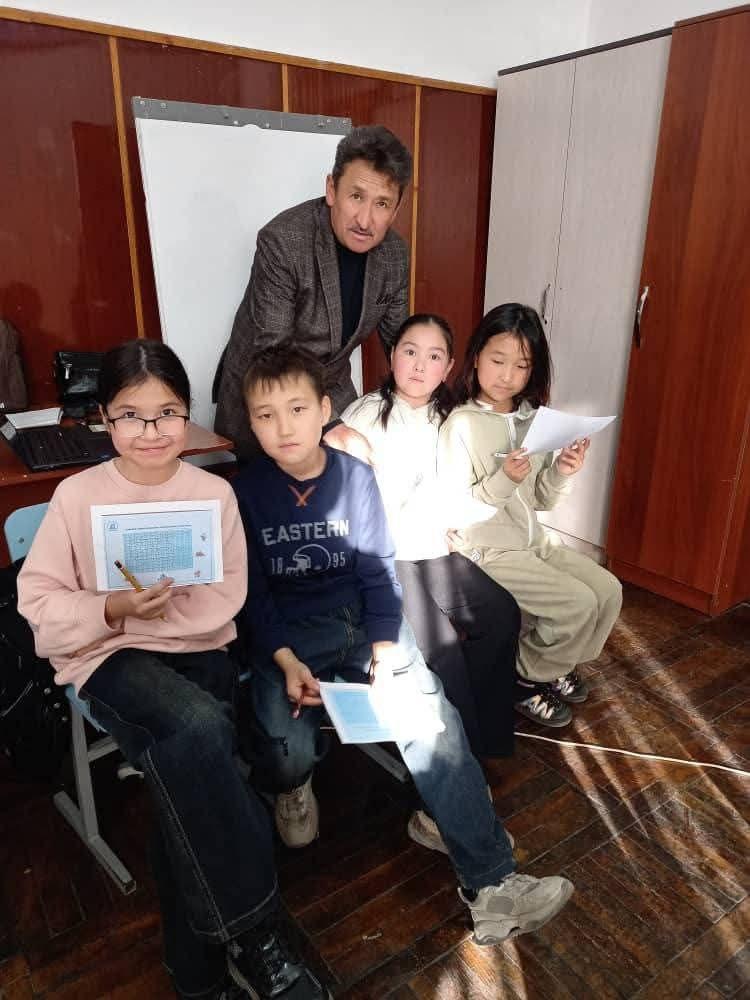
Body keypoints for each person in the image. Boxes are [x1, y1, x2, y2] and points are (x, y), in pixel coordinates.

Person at [17, 341, 329, 1000]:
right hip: (108, 653)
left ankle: (197, 977)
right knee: (198, 730)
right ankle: (257, 932)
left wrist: (168, 616)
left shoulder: (212, 493)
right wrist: (113, 609)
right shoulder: (77, 495)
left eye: (167, 413)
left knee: (181, 777)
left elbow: (229, 594)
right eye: (130, 416)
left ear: (187, 414)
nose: (151, 431)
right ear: (103, 418)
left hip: (198, 647)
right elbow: (37, 602)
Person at [233, 344, 573, 946]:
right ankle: (292, 785)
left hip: (364, 622)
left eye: (297, 409)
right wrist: (284, 658)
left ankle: (492, 884)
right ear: (251, 422)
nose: (283, 427)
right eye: (265, 415)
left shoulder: (355, 477)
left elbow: (378, 571)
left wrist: (387, 648)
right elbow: (252, 592)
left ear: (325, 410)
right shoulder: (244, 491)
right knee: (286, 751)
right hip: (290, 635)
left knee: (432, 721)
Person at [341, 314, 519, 819]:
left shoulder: (454, 418)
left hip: (438, 549)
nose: (420, 365)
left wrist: (461, 524)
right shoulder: (364, 414)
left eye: (434, 356)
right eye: (410, 351)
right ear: (392, 355)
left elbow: (467, 489)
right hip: (388, 557)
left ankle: (483, 740)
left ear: (449, 367)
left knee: (501, 614)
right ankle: (459, 773)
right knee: (441, 648)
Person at [438, 303, 623, 728]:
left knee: (608, 590)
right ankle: (522, 678)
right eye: (497, 360)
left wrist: (563, 471)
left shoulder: (532, 420)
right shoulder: (461, 425)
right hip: (487, 550)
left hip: (534, 541)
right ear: (476, 357)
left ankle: (555, 664)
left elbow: (540, 499)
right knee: (577, 603)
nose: (507, 376)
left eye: (521, 366)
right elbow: (456, 508)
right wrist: (504, 479)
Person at [215, 124, 412, 461]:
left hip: (331, 385)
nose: (365, 220)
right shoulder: (283, 241)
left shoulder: (394, 254)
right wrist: (329, 424)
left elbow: (400, 343)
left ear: (396, 209)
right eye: (356, 196)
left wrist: (427, 405)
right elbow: (274, 353)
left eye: (382, 204)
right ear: (332, 189)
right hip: (269, 395)